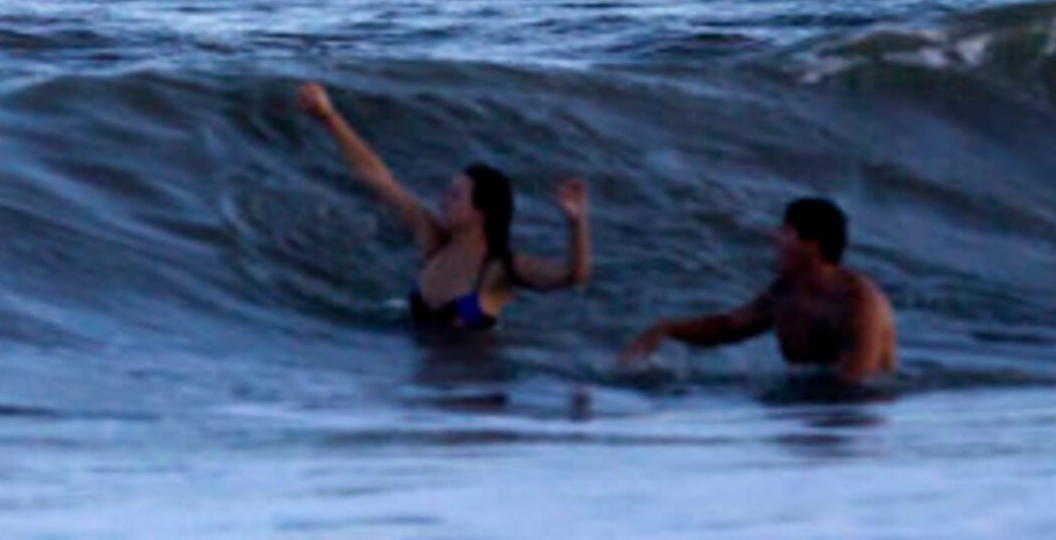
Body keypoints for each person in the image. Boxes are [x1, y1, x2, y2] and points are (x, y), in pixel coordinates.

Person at [294, 82, 590, 339]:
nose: (443, 200)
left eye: (455, 196)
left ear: (480, 211)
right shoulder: (433, 240)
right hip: (427, 387)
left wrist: (575, 223)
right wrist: (329, 117)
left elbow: (572, 276)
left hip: (477, 388)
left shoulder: (499, 269)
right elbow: (378, 179)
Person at [618, 195, 896, 384]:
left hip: (856, 427)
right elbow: (729, 327)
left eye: (785, 232)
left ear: (812, 244)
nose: (774, 238)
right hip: (811, 407)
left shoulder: (858, 304)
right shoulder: (785, 292)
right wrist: (667, 330)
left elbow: (857, 384)